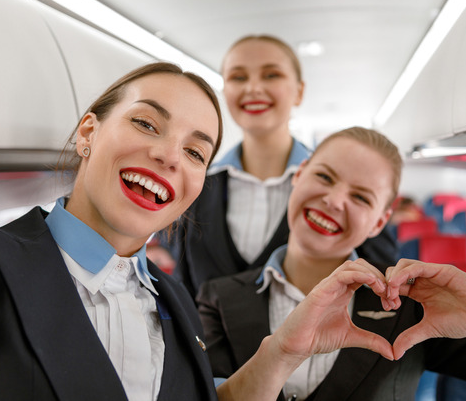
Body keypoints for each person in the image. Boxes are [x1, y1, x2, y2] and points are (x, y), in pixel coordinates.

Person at [0, 63, 392, 401]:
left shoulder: (173, 302)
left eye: (196, 151)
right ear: (88, 133)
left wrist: (283, 352)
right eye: (146, 123)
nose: (166, 154)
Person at [198, 127, 466, 401]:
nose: (333, 200)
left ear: (381, 221)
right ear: (299, 175)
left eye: (361, 197)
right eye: (324, 177)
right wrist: (279, 354)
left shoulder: (406, 307)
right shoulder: (217, 295)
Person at [158, 35, 396, 299]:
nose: (254, 88)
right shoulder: (197, 183)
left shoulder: (341, 193)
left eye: (271, 75)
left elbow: (378, 283)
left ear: (299, 91)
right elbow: (185, 287)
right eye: (238, 77)